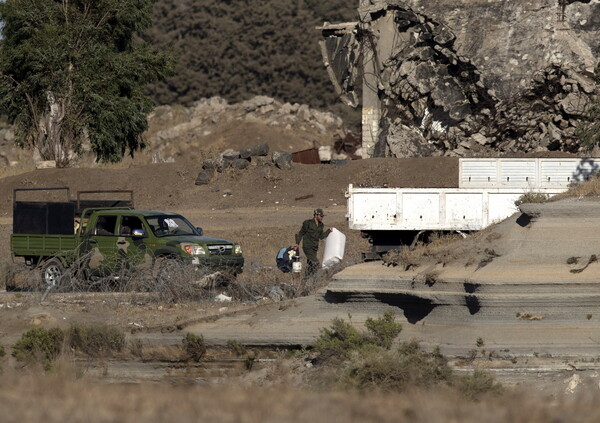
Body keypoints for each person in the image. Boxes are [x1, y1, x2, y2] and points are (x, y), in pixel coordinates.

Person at [294, 208, 333, 278]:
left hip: (314, 248)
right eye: (321, 216)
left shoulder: (321, 225)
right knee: (316, 263)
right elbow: (301, 233)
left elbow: (321, 236)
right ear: (316, 215)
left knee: (311, 266)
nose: (322, 217)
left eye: (323, 216)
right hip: (307, 247)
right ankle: (318, 279)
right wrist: (297, 243)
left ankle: (304, 280)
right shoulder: (307, 223)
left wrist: (328, 231)